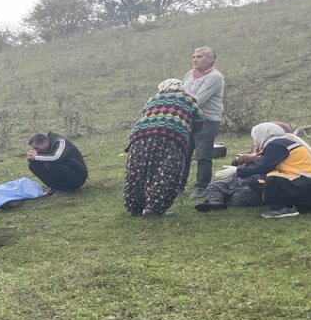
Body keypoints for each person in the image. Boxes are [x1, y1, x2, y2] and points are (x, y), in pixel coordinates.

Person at [123, 79, 205, 217]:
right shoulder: (188, 99)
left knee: (138, 171)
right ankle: (154, 208)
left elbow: (146, 112)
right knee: (165, 171)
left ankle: (135, 207)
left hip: (139, 135)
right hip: (170, 135)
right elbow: (200, 122)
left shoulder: (154, 98)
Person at [235, 122, 311, 218]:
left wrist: (237, 171)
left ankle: (283, 208)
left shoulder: (276, 145)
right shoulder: (285, 141)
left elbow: (263, 168)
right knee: (270, 175)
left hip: (305, 183)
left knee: (257, 179)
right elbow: (270, 161)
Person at [194, 121, 292, 212]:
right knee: (215, 185)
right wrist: (239, 160)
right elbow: (240, 163)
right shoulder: (260, 146)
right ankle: (216, 202)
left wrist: (252, 159)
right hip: (240, 178)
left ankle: (223, 199)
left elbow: (265, 167)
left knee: (241, 195)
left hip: (257, 181)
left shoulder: (278, 148)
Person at [181, 46, 226, 199]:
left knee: (203, 155)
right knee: (183, 154)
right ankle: (179, 184)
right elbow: (180, 92)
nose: (195, 59)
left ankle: (202, 187)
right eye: (194, 56)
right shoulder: (189, 74)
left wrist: (181, 101)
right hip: (189, 119)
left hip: (207, 120)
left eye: (199, 57)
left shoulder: (215, 77)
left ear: (211, 59)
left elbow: (198, 101)